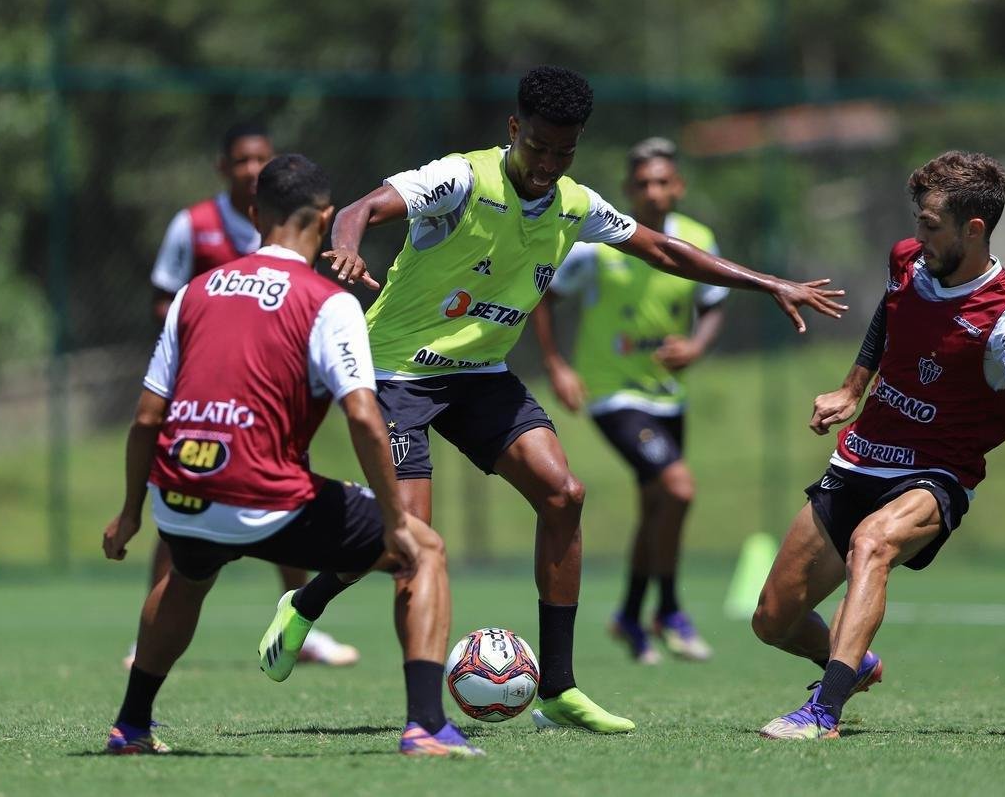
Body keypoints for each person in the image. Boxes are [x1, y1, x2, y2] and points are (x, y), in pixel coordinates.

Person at [273, 65, 846, 734]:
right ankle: (406, 703)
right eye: (538, 146)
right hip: (397, 376)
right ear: (514, 129)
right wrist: (343, 249)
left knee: (563, 493)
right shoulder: (460, 178)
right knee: (413, 546)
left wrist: (769, 281)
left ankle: (559, 688)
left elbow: (661, 248)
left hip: (480, 374)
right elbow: (358, 210)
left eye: (564, 150)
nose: (548, 163)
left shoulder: (576, 204)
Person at [102, 154, 481, 757]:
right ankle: (427, 727)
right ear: (327, 217)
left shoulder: (194, 294)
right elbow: (362, 414)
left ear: (255, 214)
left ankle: (131, 727)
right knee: (423, 550)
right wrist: (393, 520)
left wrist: (129, 514)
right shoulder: (328, 302)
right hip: (263, 497)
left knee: (188, 576)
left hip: (181, 496)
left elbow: (148, 416)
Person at [751, 151, 1005, 740]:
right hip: (864, 453)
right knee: (772, 619)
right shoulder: (908, 261)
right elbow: (889, 313)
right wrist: (852, 388)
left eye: (931, 224)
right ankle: (854, 662)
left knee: (872, 543)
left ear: (973, 229)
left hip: (938, 471)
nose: (918, 235)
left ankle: (823, 712)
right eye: (919, 220)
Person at [135, 121, 357, 670]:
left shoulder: (291, 222)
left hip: (274, 393)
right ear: (223, 168)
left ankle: (301, 624)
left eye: (262, 158)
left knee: (288, 490)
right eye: (241, 160)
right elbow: (167, 298)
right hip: (206, 391)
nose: (253, 168)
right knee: (184, 499)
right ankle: (149, 635)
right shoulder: (194, 226)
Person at [530, 137, 725, 664]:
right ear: (627, 191)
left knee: (657, 504)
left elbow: (713, 302)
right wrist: (557, 365)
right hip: (612, 395)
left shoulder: (699, 238)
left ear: (678, 186)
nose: (653, 191)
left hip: (667, 396)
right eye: (642, 184)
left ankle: (632, 617)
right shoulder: (599, 246)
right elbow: (543, 296)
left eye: (663, 181)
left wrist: (697, 345)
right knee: (678, 491)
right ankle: (669, 608)